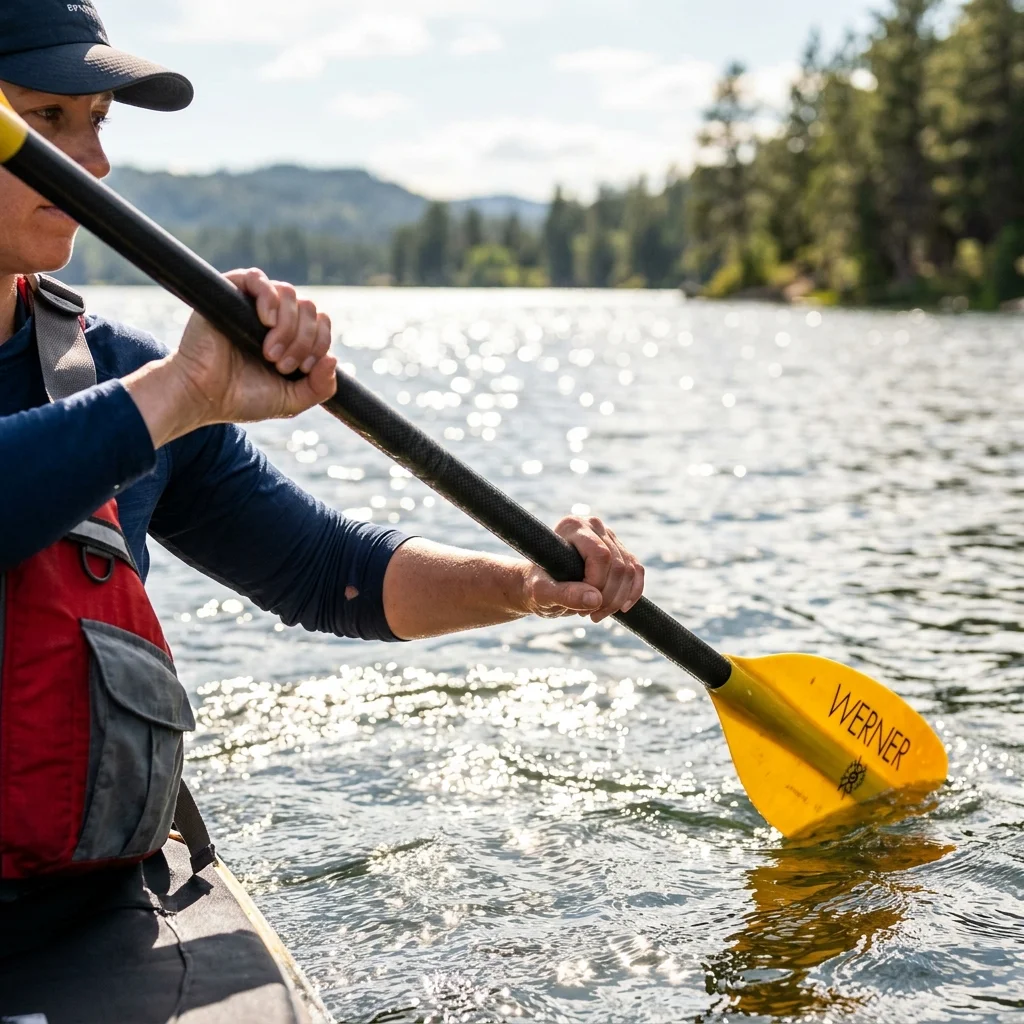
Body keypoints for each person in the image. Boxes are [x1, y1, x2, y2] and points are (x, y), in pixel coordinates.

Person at [0, 0, 644, 985]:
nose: (93, 162)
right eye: (47, 118)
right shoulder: (149, 394)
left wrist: (527, 584)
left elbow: (326, 570)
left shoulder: (111, 374)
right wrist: (182, 391)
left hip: (72, 906)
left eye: (97, 120)